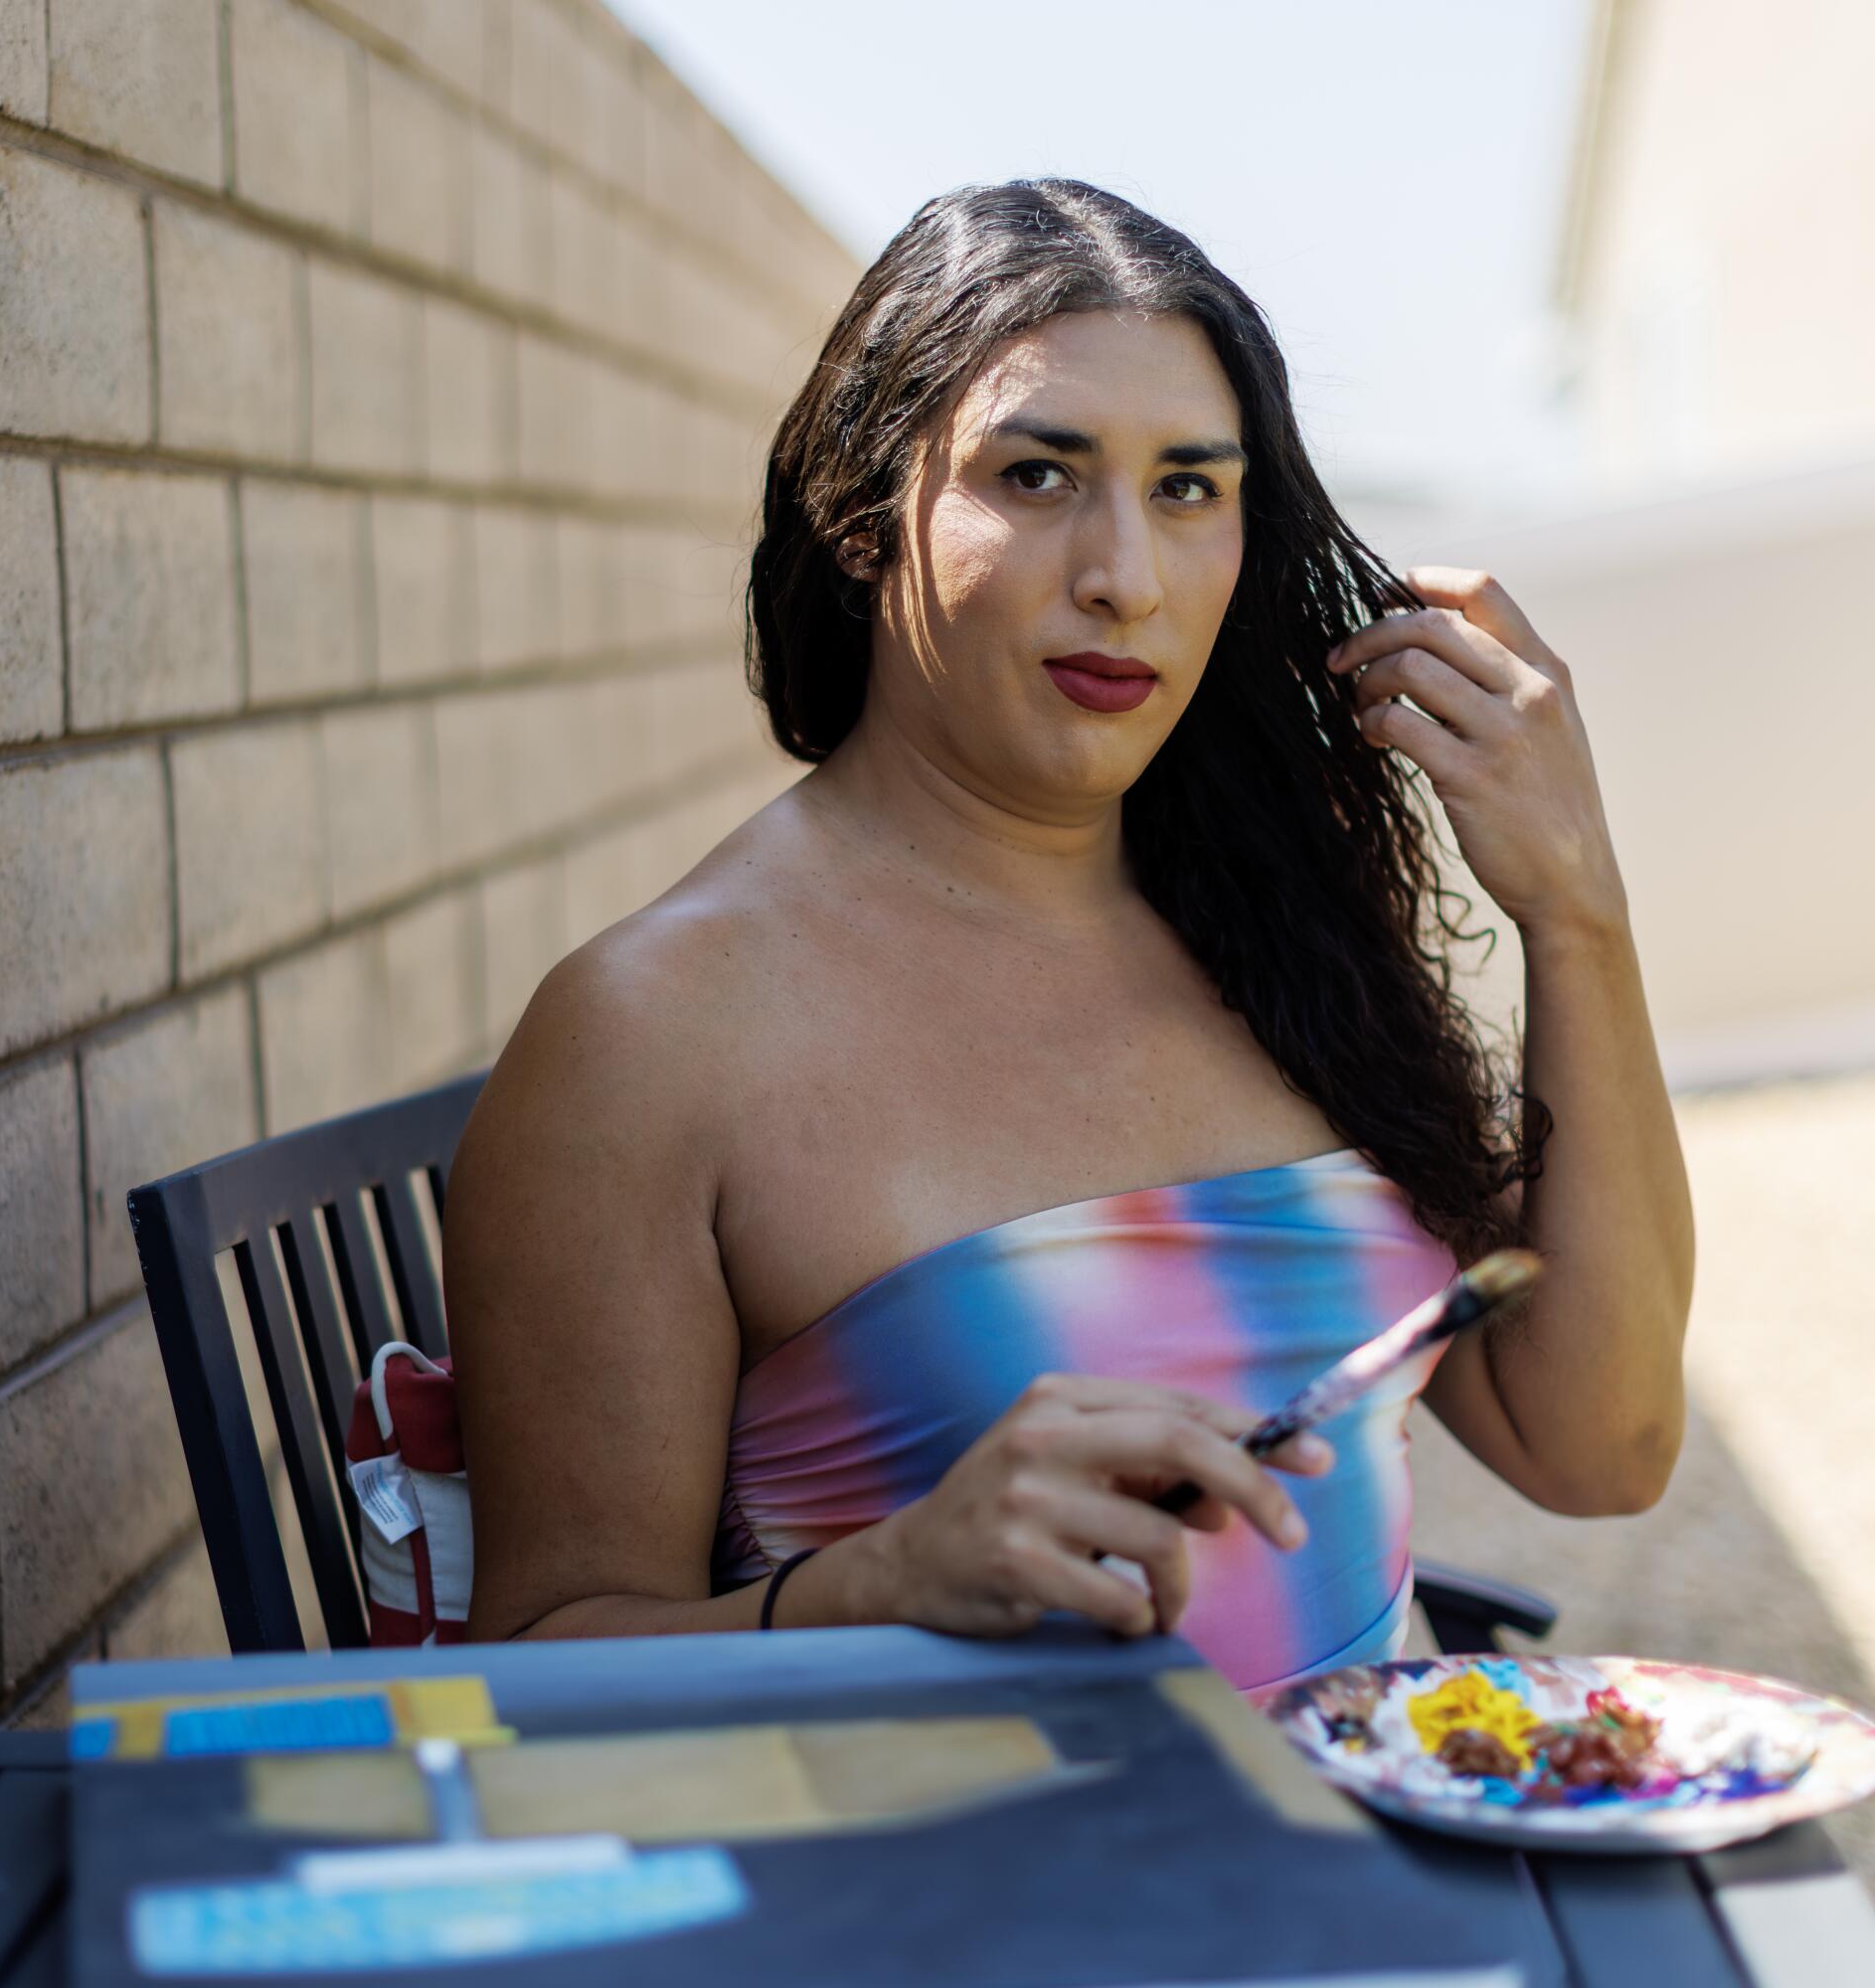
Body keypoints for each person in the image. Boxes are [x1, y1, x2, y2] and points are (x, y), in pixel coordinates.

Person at [444, 180, 1692, 1697]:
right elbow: (527, 1679)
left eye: (1188, 488)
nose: (1127, 575)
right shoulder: (652, 1034)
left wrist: (1577, 912)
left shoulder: (1275, 937)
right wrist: (883, 1584)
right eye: (1038, 477)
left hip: (1383, 1864)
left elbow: (1602, 1443)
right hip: (983, 1907)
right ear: (858, 513)